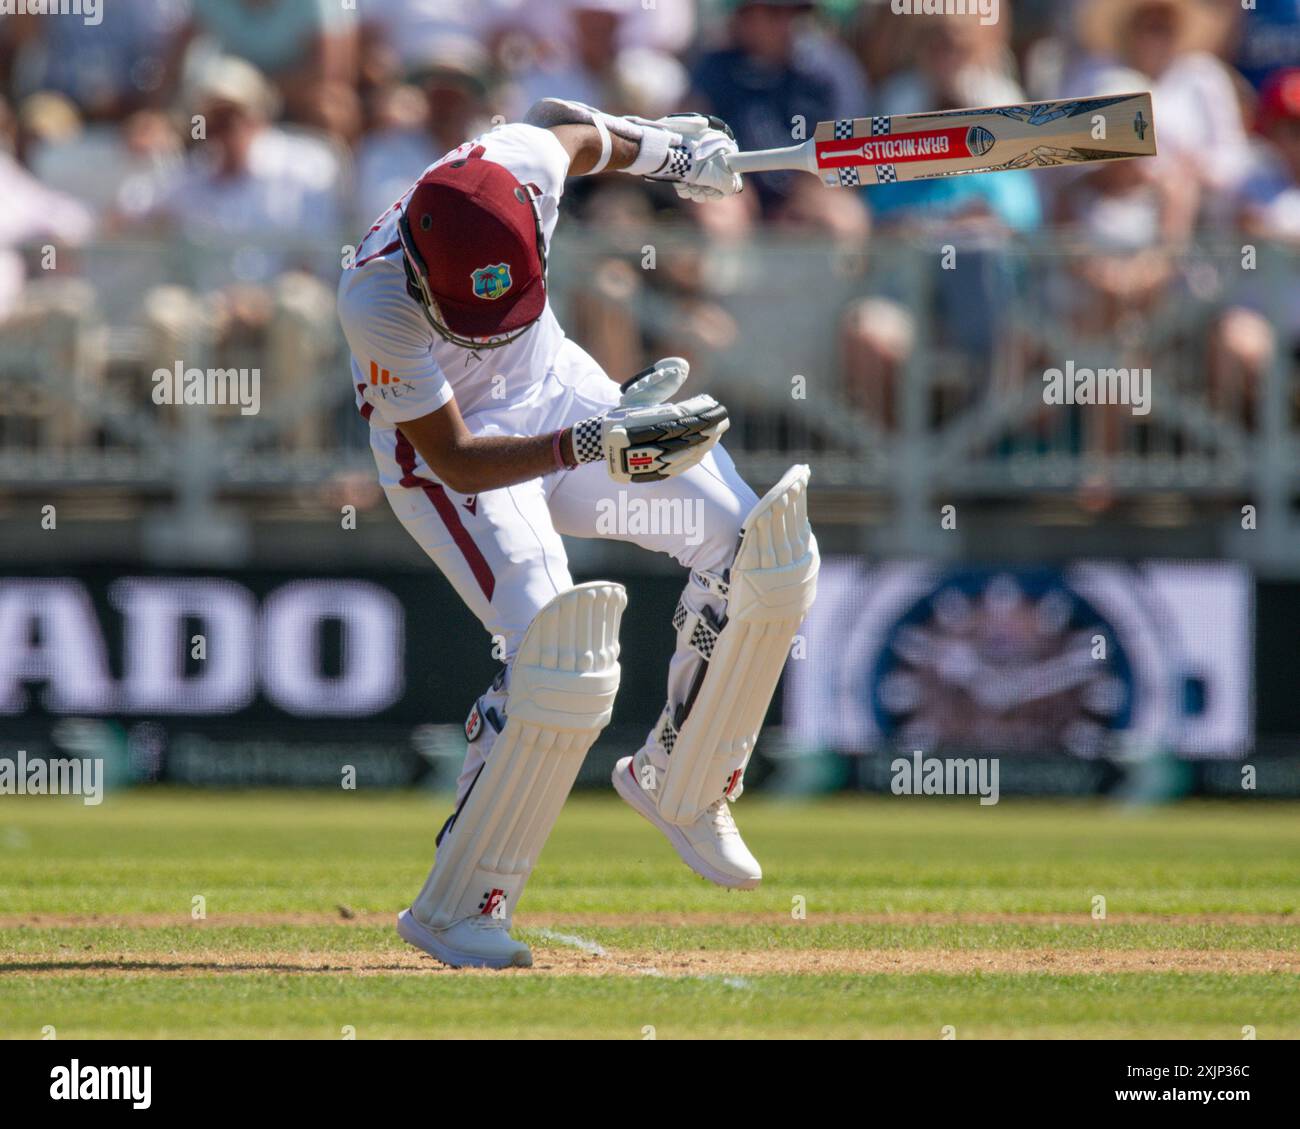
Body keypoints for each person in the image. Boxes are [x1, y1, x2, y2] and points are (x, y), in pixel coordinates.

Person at [337, 101, 819, 969]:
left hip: (561, 390)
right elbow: (454, 457)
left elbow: (569, 123)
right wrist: (591, 446)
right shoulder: (374, 296)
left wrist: (674, 153)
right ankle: (459, 905)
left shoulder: (522, 163)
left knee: (765, 552)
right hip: (457, 462)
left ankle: (685, 776)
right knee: (563, 654)